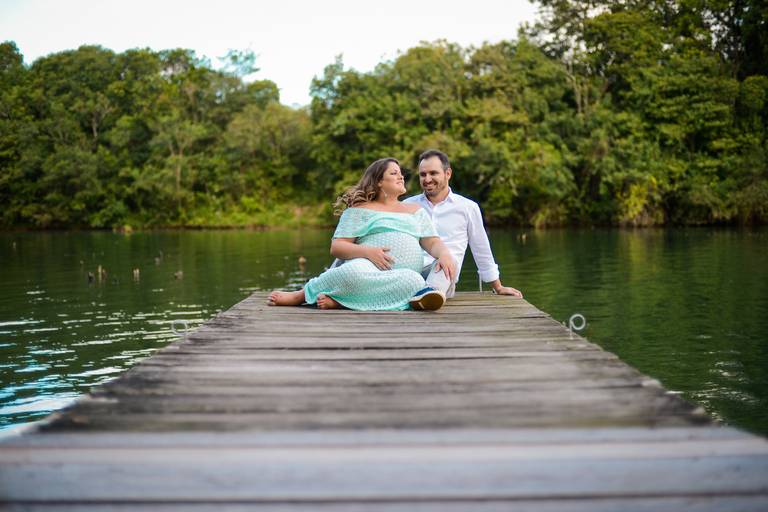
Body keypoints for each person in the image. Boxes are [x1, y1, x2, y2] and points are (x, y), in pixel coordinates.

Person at [268, 157, 457, 311]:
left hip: (406, 276)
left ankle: (426, 295)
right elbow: (338, 247)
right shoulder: (359, 210)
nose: (401, 177)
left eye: (401, 174)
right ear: (379, 182)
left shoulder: (415, 210)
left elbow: (432, 242)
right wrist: (368, 253)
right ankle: (301, 294)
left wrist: (444, 254)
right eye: (394, 174)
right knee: (352, 272)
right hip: (369, 268)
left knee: (429, 273)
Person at [403, 149, 523, 298]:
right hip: (411, 271)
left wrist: (498, 287)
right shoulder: (407, 205)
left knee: (446, 264)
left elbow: (481, 248)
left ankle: (429, 296)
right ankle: (416, 295)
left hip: (444, 274)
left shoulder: (467, 207)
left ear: (448, 174)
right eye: (423, 174)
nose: (427, 179)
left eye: (433, 173)